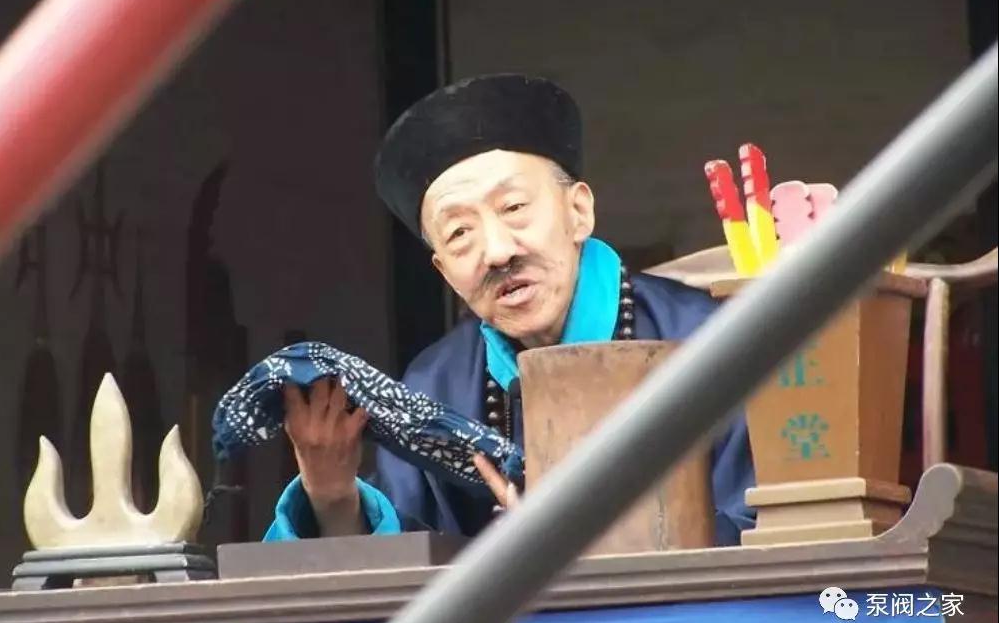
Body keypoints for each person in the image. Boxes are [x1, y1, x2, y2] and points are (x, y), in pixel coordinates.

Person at [266, 74, 756, 545]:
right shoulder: (437, 385)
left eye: (514, 208)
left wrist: (597, 531)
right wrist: (332, 496)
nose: (498, 252)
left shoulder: (716, 342)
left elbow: (769, 534)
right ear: (443, 271)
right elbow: (405, 566)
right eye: (460, 233)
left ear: (579, 211)